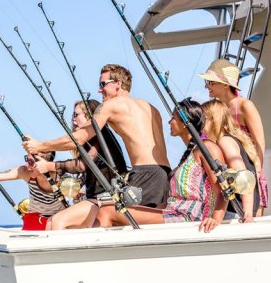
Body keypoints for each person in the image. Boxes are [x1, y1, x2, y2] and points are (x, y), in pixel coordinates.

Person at [23, 64, 171, 209]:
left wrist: (40, 146)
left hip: (145, 174)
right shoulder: (150, 107)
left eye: (103, 84)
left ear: (118, 83)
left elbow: (79, 139)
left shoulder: (111, 105)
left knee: (115, 220)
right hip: (165, 173)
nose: (99, 90)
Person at [96, 100, 227, 233]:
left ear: (185, 123)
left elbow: (223, 189)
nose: (169, 122)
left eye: (173, 118)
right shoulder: (190, 153)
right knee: (111, 207)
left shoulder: (207, 148)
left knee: (107, 211)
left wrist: (215, 219)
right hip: (175, 212)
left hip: (189, 216)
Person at [33, 99, 127, 230]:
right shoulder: (94, 138)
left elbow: (82, 165)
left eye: (76, 115)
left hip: (106, 200)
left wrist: (50, 166)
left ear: (89, 116)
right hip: (96, 198)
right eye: (72, 115)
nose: (73, 119)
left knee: (57, 221)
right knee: (50, 223)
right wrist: (77, 185)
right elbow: (94, 170)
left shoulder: (101, 136)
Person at [198, 59, 267, 216]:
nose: (206, 86)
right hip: (229, 175)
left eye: (210, 82)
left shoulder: (245, 105)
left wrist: (255, 171)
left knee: (252, 218)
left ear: (224, 84)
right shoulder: (215, 108)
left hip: (249, 169)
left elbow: (259, 142)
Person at [202, 99, 259, 222]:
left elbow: (243, 176)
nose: (200, 124)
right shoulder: (233, 139)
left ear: (212, 119)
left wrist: (247, 213)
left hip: (236, 212)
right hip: (240, 209)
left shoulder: (225, 141)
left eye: (203, 119)